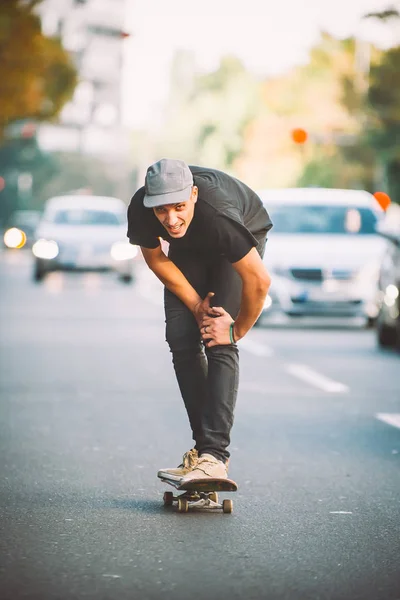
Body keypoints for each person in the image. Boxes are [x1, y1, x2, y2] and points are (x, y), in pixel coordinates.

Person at [127, 159, 272, 482]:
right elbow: (155, 258)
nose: (171, 219)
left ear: (193, 194)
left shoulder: (218, 214)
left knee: (217, 337)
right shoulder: (140, 206)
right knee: (181, 337)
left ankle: (214, 456)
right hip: (189, 248)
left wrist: (236, 331)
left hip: (239, 231)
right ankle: (203, 453)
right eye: (161, 210)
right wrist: (194, 305)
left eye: (178, 206)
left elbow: (259, 281)